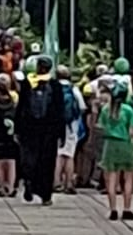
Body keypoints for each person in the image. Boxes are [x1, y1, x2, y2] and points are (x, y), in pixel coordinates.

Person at [17, 56, 65, 206]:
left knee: (29, 159)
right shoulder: (55, 85)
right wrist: (61, 132)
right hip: (48, 130)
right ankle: (45, 195)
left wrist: (17, 128)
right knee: (47, 162)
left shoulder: (27, 83)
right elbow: (60, 110)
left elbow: (20, 107)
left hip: (30, 129)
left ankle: (30, 182)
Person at [98, 79, 133, 220]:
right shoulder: (129, 110)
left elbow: (101, 127)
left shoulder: (105, 110)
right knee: (128, 178)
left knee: (111, 179)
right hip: (125, 144)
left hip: (110, 144)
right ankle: (127, 208)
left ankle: (113, 209)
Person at [55, 64, 86, 195]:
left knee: (57, 154)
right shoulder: (74, 89)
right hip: (71, 125)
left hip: (56, 124)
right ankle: (69, 183)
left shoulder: (53, 87)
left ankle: (56, 182)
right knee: (69, 154)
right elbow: (82, 107)